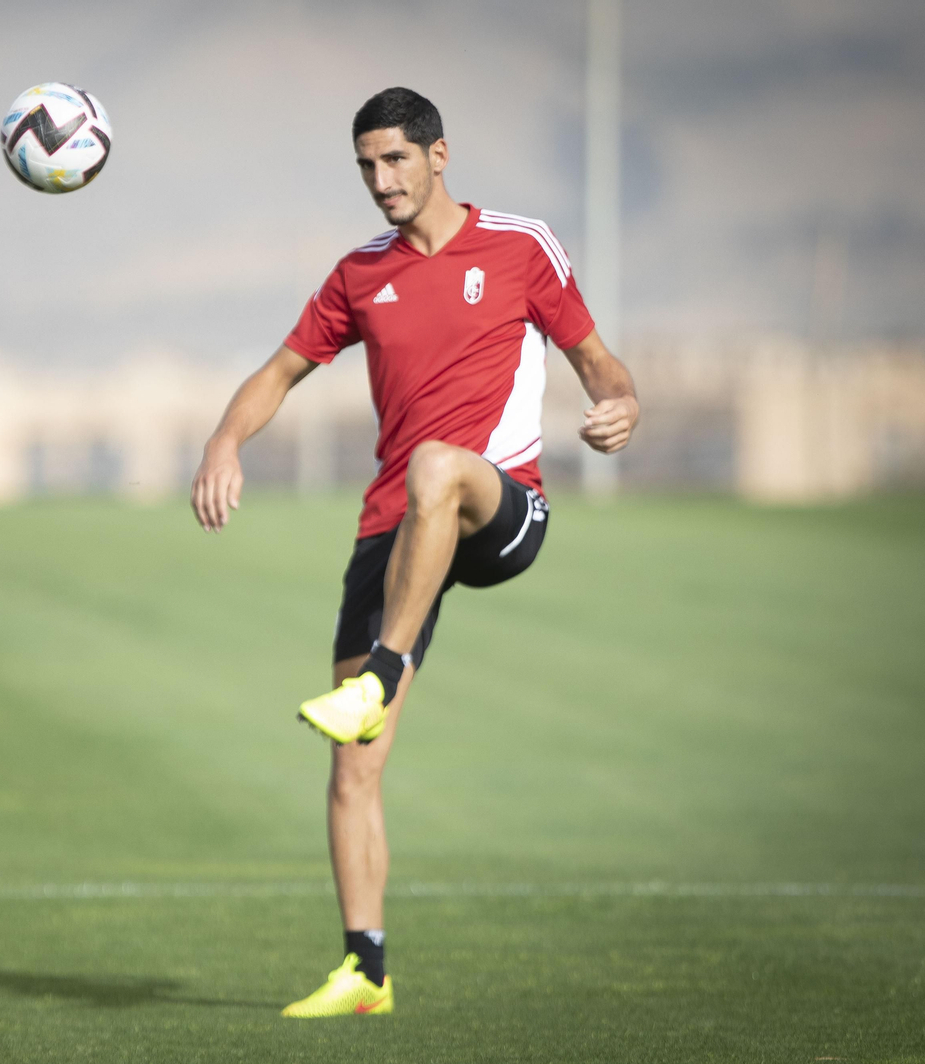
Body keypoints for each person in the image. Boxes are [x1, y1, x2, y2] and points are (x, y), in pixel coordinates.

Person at [190, 87, 639, 1018]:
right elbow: (279, 371)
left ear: (439, 155)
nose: (380, 180)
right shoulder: (360, 274)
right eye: (366, 165)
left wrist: (620, 403)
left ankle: (383, 673)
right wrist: (224, 442)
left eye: (394, 159)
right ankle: (366, 972)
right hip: (394, 531)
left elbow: (597, 360)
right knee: (354, 766)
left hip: (500, 505)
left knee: (438, 466)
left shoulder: (521, 247)